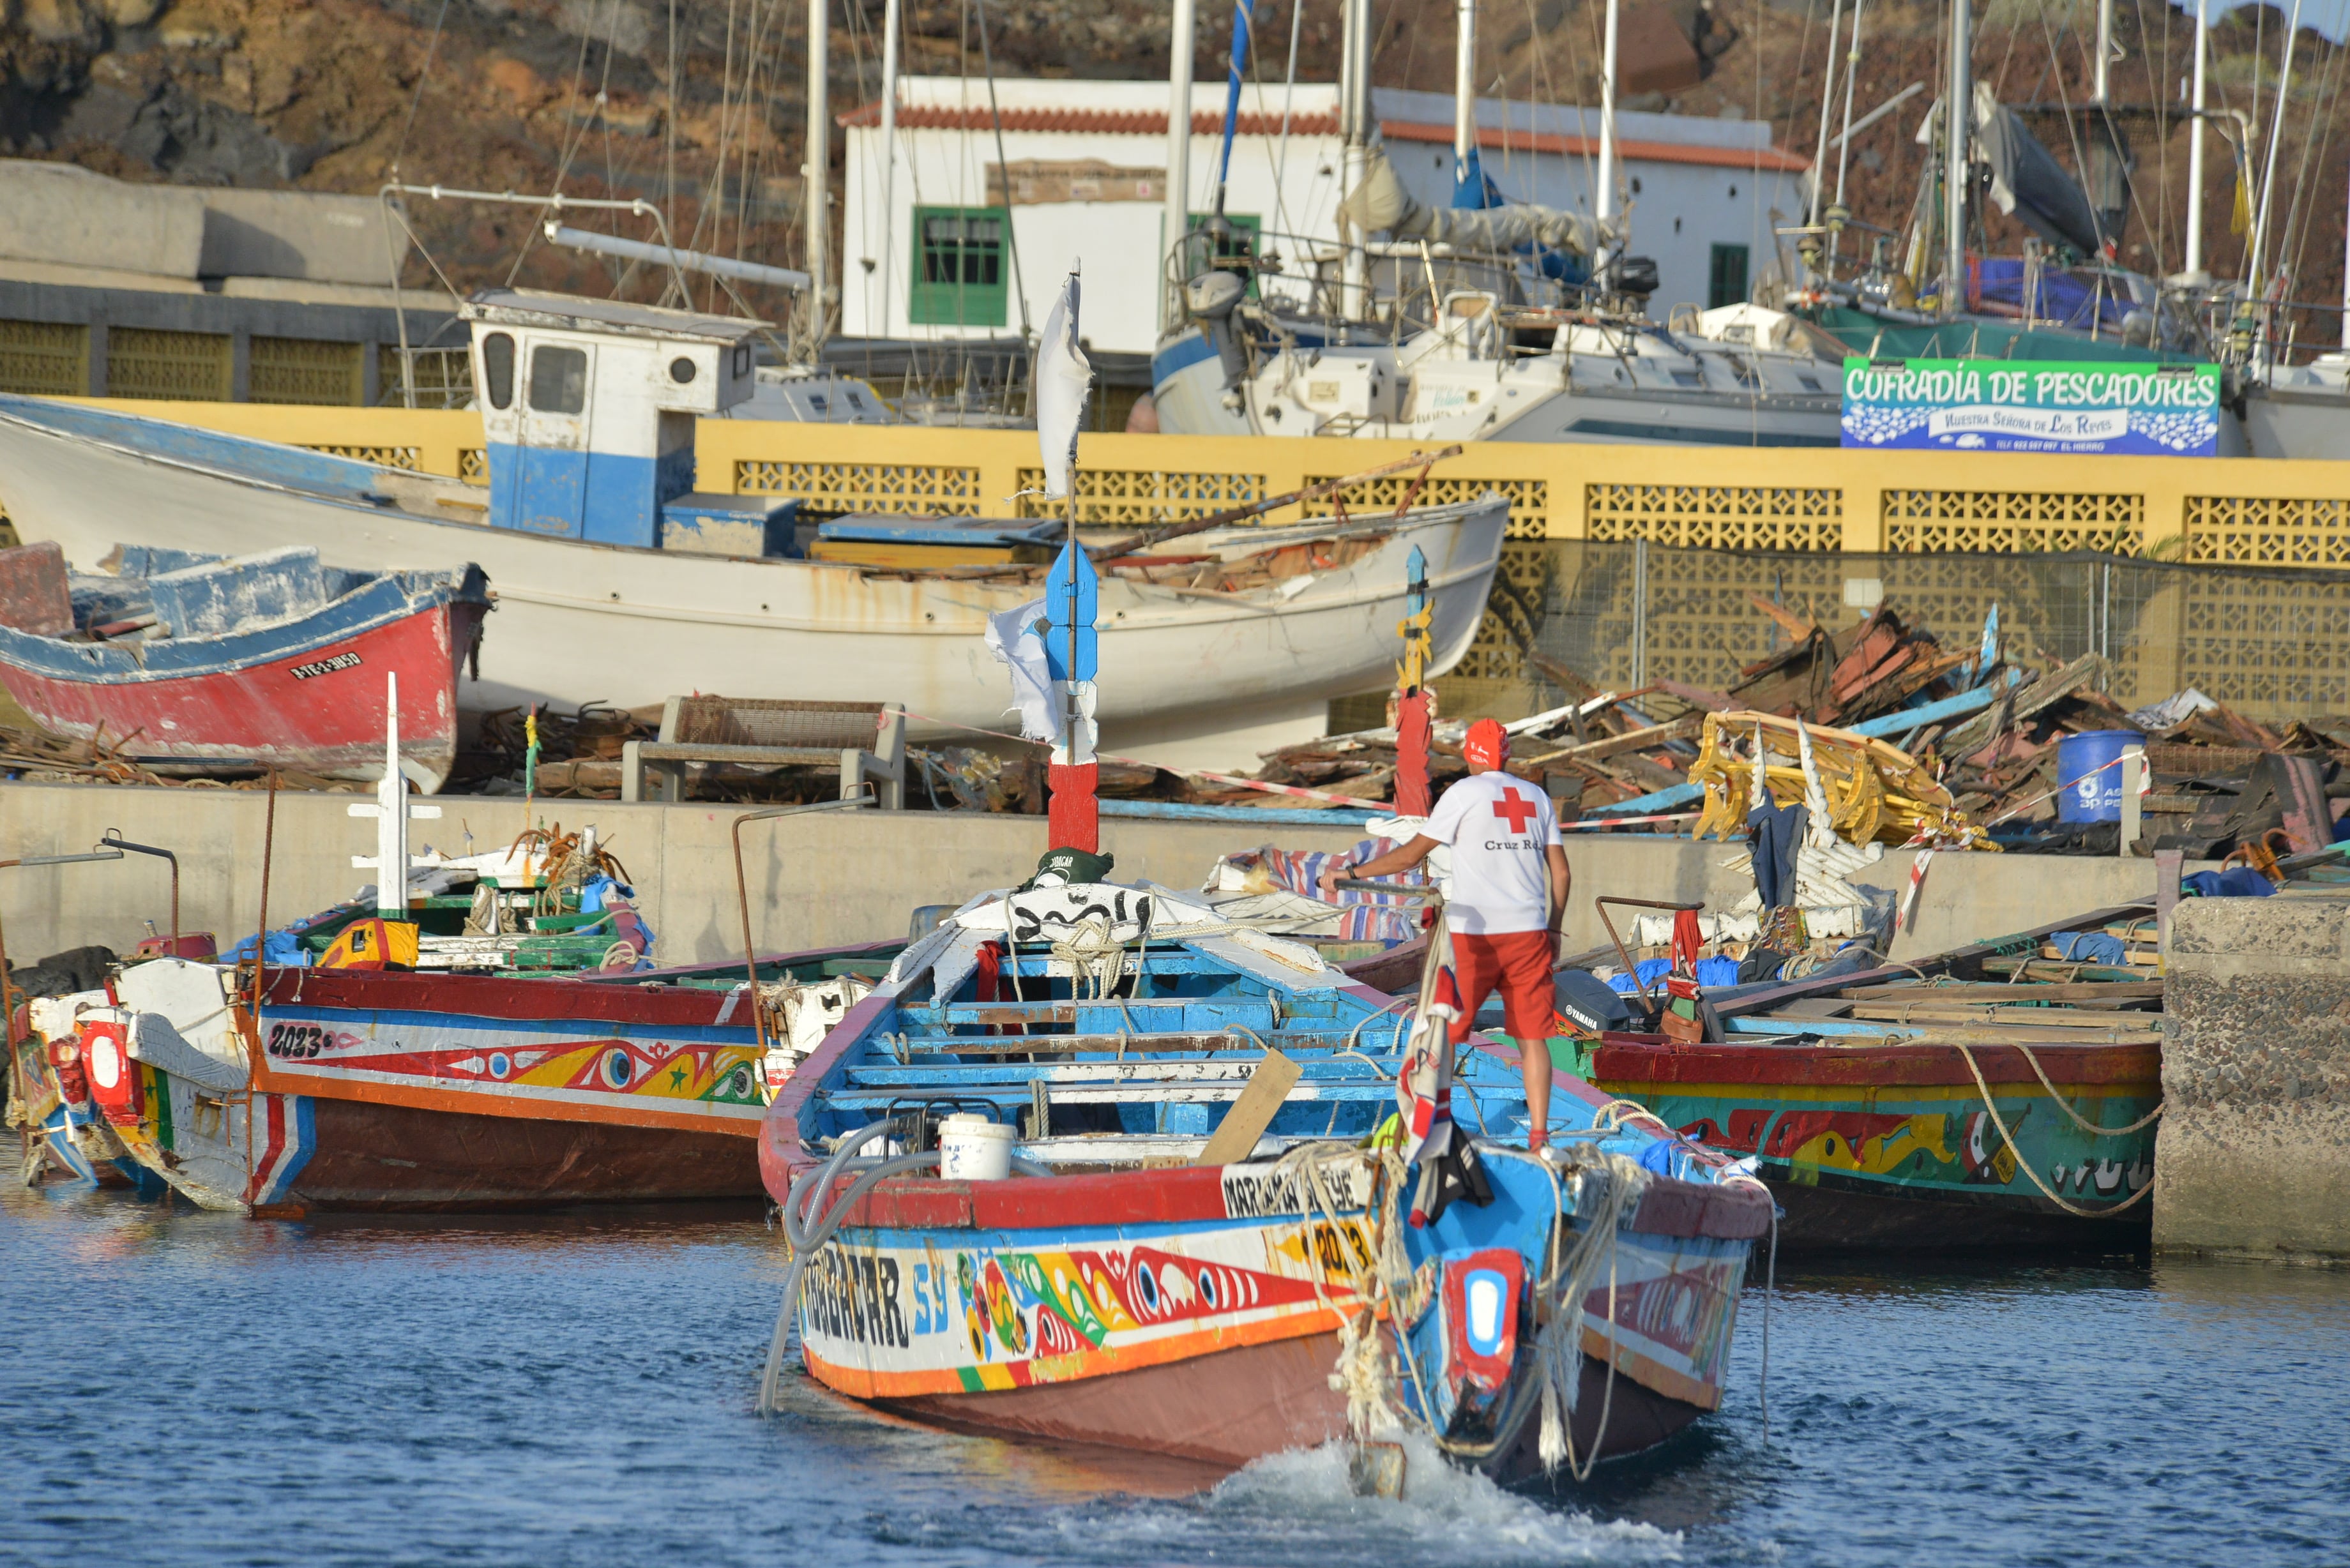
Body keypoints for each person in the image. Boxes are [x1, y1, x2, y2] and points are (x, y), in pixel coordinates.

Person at [1318, 717, 1572, 1150]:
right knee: (1533, 1039)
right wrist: (1554, 928)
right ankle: (1539, 1138)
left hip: (1474, 933)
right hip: (1529, 932)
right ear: (1507, 754)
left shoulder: (1463, 794)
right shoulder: (1537, 797)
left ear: (1470, 755)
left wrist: (1349, 873)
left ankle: (1437, 1126)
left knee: (1447, 1032)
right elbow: (1562, 873)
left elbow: (1409, 856)